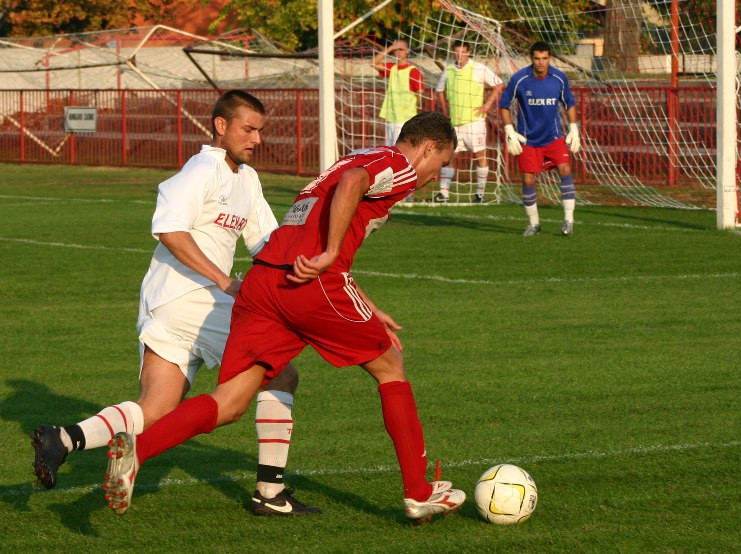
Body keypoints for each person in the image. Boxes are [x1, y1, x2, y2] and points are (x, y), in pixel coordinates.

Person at [102, 111, 467, 524]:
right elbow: (353, 188)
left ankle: (138, 451)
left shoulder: (354, 157)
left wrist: (362, 298)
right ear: (426, 149)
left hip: (266, 282)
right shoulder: (397, 163)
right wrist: (330, 255)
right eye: (442, 163)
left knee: (230, 403)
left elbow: (326, 210)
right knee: (391, 368)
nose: (437, 175)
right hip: (312, 282)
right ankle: (419, 493)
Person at [32, 90, 319, 517]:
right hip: (189, 299)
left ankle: (63, 439)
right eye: (248, 129)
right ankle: (270, 492)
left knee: (156, 408)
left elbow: (265, 243)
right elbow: (169, 229)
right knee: (281, 373)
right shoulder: (203, 168)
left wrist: (309, 256)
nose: (256, 138)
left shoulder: (247, 179)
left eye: (260, 130)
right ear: (221, 126)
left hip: (170, 303)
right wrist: (224, 279)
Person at [499, 41, 581, 236]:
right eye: (537, 58)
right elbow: (504, 105)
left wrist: (574, 128)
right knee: (528, 181)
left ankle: (569, 220)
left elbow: (569, 102)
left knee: (565, 168)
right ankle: (534, 224)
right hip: (528, 140)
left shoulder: (559, 78)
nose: (541, 62)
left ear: (549, 58)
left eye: (545, 58)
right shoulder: (520, 79)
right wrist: (509, 130)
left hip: (553, 137)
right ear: (531, 59)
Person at [434, 41, 504, 203]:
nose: (459, 55)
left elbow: (499, 84)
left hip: (475, 121)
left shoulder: (478, 68)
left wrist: (487, 105)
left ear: (468, 52)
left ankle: (479, 194)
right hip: (455, 123)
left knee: (480, 155)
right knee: (449, 156)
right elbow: (439, 91)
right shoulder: (449, 69)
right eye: (456, 52)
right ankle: (444, 194)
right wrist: (445, 112)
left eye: (462, 52)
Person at [372, 39, 424, 147]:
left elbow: (420, 95)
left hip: (405, 121)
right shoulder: (392, 68)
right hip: (391, 118)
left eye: (401, 49)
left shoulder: (413, 71)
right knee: (391, 153)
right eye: (396, 50)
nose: (398, 52)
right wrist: (390, 47)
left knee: (401, 153)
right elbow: (373, 63)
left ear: (407, 51)